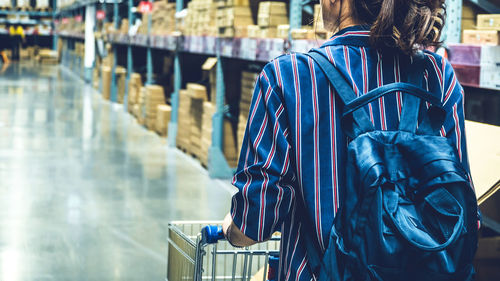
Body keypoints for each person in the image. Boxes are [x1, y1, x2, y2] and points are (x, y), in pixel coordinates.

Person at [222, 0, 470, 280]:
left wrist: (230, 227)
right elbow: (462, 212)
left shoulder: (288, 77)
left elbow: (254, 225)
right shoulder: (437, 75)